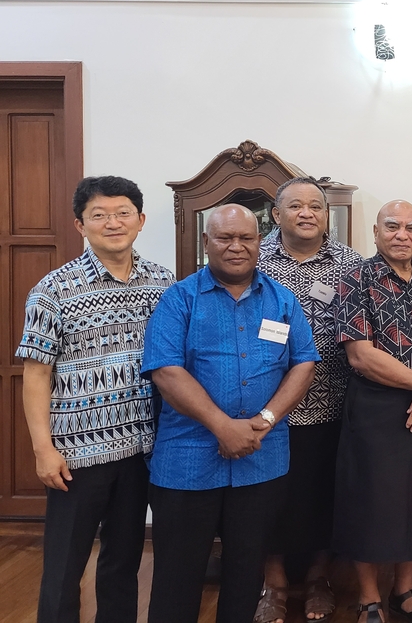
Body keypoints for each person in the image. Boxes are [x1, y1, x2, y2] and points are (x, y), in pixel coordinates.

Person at [143, 204, 319, 623]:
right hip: (187, 461)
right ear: (207, 243)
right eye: (225, 238)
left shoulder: (281, 299)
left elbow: (303, 362)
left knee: (246, 575)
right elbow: (166, 370)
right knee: (177, 578)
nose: (237, 247)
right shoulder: (179, 299)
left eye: (247, 238)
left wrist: (266, 420)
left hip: (262, 459)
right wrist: (222, 426)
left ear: (260, 242)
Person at [18, 176, 175, 623]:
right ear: (79, 225)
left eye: (123, 212)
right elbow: (36, 373)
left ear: (141, 220)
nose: (113, 223)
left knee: (123, 562)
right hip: (76, 453)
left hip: (142, 447)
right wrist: (43, 449)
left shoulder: (163, 283)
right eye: (99, 215)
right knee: (64, 566)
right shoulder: (54, 290)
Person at [334, 200, 412, 623]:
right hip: (376, 408)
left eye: (411, 227)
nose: (402, 234)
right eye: (393, 226)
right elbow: (361, 356)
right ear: (375, 231)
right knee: (373, 503)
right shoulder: (355, 279)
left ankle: (404, 592)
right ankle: (369, 598)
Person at [255, 177, 363, 623]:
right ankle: (274, 584)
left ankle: (319, 579)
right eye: (295, 206)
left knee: (324, 496)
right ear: (276, 215)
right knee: (268, 500)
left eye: (315, 206)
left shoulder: (350, 264)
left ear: (327, 215)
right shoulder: (253, 259)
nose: (307, 213)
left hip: (332, 402)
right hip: (266, 407)